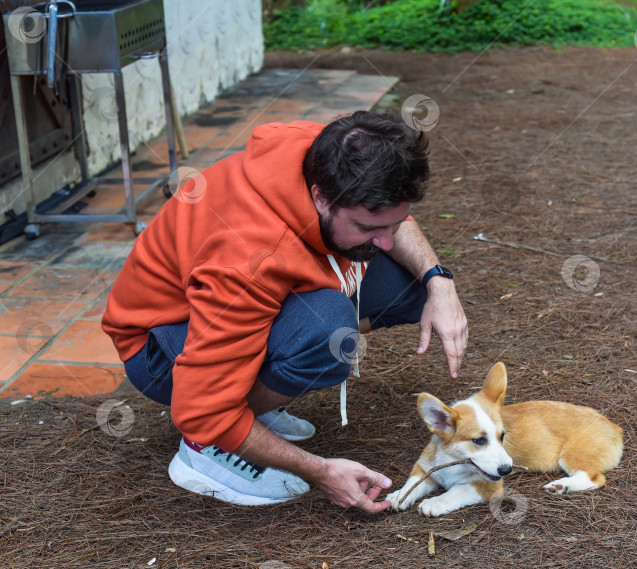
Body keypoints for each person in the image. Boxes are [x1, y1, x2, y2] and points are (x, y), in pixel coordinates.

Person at [102, 110, 468, 513]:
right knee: (326, 330)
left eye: (393, 224)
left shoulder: (334, 150)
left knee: (411, 285)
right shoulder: (249, 260)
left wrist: (439, 280)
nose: (384, 241)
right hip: (158, 347)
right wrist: (320, 471)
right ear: (320, 197)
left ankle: (249, 399)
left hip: (226, 307)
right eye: (367, 228)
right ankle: (205, 447)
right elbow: (201, 409)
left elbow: (388, 216)